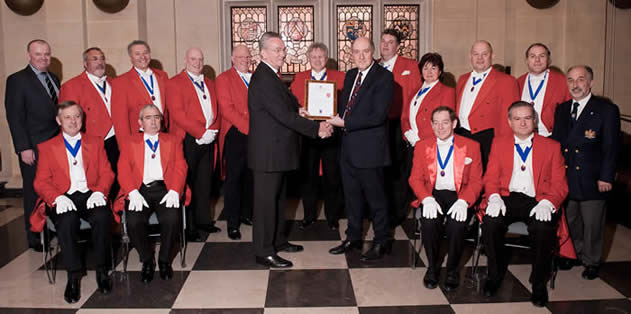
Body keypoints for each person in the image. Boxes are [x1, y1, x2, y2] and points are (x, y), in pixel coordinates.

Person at [248, 32, 332, 268]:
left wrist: (302, 109)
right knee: (266, 205)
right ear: (262, 53)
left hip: (277, 153)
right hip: (267, 155)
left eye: (283, 49)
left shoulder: (271, 75)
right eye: (277, 50)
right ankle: (264, 251)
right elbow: (283, 115)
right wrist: (316, 129)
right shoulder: (263, 77)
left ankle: (277, 240)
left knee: (278, 200)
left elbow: (287, 105)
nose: (282, 53)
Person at [481, 101, 568, 307]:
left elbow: (560, 184)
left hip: (537, 199)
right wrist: (493, 196)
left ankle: (538, 284)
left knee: (542, 228)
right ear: (509, 121)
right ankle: (494, 276)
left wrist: (548, 202)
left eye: (527, 118)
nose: (522, 123)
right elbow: (491, 177)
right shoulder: (499, 143)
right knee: (490, 223)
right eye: (517, 118)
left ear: (535, 120)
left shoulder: (552, 146)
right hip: (506, 197)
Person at [33, 101, 114, 304]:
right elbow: (40, 181)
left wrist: (100, 192)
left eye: (77, 116)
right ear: (59, 121)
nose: (73, 121)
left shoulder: (96, 142)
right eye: (67, 117)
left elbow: (107, 173)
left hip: (90, 193)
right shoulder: (47, 147)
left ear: (82, 119)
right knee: (67, 221)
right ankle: (73, 275)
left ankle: (102, 271)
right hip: (62, 196)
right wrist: (56, 197)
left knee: (103, 217)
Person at [327, 37, 393, 261]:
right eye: (357, 52)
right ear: (351, 54)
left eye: (365, 51)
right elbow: (345, 110)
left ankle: (382, 240)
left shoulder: (384, 77)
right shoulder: (350, 75)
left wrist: (343, 123)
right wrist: (325, 117)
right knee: (352, 198)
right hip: (348, 149)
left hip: (370, 150)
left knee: (376, 199)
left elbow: (377, 116)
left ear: (373, 52)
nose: (361, 56)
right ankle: (353, 237)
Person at [551, 65, 620, 280]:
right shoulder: (562, 109)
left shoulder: (606, 110)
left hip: (592, 175)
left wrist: (606, 176)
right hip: (567, 174)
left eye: (580, 80)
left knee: (592, 222)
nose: (575, 84)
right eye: (571, 80)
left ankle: (591, 261)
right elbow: (556, 143)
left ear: (590, 83)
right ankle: (572, 255)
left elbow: (611, 147)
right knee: (570, 219)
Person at [409, 106, 482, 291]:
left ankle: (452, 270)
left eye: (445, 122)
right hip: (433, 193)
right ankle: (432, 267)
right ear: (432, 125)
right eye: (436, 123)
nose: (440, 127)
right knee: (429, 222)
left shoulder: (471, 146)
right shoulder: (422, 145)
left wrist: (464, 201)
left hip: (459, 194)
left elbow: (476, 181)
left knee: (457, 225)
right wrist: (426, 199)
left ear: (454, 123)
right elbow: (415, 178)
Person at [117, 104, 187, 283]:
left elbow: (181, 167)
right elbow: (123, 169)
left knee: (172, 219)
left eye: (157, 117)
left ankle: (164, 260)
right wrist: (132, 192)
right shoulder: (130, 141)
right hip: (139, 189)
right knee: (133, 221)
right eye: (148, 118)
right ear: (140, 122)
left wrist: (175, 190)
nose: (154, 121)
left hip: (165, 188)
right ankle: (147, 259)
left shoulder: (173, 140)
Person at [5, 39, 60, 252]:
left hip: (54, 146)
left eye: (47, 54)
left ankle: (51, 227)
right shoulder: (17, 80)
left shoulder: (53, 78)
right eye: (39, 54)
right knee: (34, 190)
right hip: (33, 148)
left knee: (51, 189)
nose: (44, 58)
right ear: (29, 55)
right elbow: (15, 117)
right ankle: (34, 234)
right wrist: (23, 147)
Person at [290, 42, 346, 231]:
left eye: (321, 56)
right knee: (308, 176)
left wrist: (331, 123)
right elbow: (293, 105)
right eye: (314, 57)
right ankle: (309, 215)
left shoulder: (340, 77)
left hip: (331, 132)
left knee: (332, 176)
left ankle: (332, 217)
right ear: (309, 58)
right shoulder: (300, 78)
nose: (317, 60)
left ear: (326, 58)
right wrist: (300, 111)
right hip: (309, 133)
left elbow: (345, 105)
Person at [167, 48, 221, 241]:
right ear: (185, 60)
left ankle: (204, 221)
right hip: (188, 138)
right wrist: (200, 133)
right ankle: (189, 228)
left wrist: (212, 131)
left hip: (208, 138)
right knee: (187, 183)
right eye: (193, 59)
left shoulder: (209, 83)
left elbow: (217, 110)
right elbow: (178, 114)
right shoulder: (174, 83)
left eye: (200, 59)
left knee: (204, 182)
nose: (197, 63)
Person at [58, 47, 120, 201]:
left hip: (116, 141)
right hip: (92, 143)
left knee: (116, 182)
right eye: (94, 59)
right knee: (96, 185)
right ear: (85, 63)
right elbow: (68, 120)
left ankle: (116, 218)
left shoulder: (114, 83)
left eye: (102, 58)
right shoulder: (72, 86)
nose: (100, 62)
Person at [378, 29, 423, 227]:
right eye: (383, 41)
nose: (386, 45)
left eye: (390, 42)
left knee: (398, 170)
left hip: (399, 124)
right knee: (380, 170)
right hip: (377, 125)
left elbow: (418, 96)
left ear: (398, 46)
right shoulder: (374, 66)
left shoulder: (411, 66)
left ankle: (397, 213)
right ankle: (380, 210)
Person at [455, 40, 519, 168]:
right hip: (461, 136)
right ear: (470, 56)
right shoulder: (462, 79)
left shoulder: (506, 81)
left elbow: (509, 120)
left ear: (492, 56)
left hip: (487, 140)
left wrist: (503, 148)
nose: (480, 58)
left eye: (484, 54)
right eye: (476, 54)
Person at [216, 45, 254, 240]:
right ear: (232, 58)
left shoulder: (256, 77)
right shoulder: (223, 79)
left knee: (251, 176)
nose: (244, 60)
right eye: (240, 57)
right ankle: (232, 222)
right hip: (236, 134)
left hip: (256, 135)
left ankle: (247, 214)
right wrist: (250, 128)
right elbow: (227, 109)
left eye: (247, 57)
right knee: (234, 179)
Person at [111, 40, 170, 142]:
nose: (143, 57)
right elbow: (120, 120)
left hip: (163, 133)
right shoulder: (121, 82)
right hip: (138, 137)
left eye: (145, 53)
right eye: (137, 54)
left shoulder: (162, 76)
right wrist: (125, 147)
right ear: (131, 58)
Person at [516, 43, 571, 136]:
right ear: (527, 60)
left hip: (551, 136)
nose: (537, 60)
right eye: (533, 56)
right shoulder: (517, 82)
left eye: (542, 56)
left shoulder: (562, 81)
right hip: (523, 136)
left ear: (548, 60)